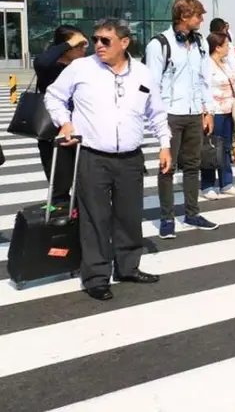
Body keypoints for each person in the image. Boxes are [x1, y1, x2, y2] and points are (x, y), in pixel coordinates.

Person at [43, 18, 171, 301]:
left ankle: (127, 267)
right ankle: (97, 276)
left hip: (130, 158)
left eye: (105, 40)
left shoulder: (143, 73)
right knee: (95, 219)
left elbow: (157, 112)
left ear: (124, 43)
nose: (98, 45)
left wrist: (165, 145)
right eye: (96, 39)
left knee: (129, 216)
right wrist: (65, 123)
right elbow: (53, 96)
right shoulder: (81, 68)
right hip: (92, 156)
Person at [144, 0, 219, 240]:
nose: (202, 19)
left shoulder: (200, 44)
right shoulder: (160, 44)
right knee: (168, 167)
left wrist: (207, 110)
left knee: (192, 165)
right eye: (198, 15)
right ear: (184, 16)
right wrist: (157, 118)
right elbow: (152, 85)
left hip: (194, 112)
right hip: (170, 114)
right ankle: (167, 217)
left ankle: (192, 213)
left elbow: (204, 80)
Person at [32, 25, 88, 203]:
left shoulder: (85, 67)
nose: (82, 49)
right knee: (59, 189)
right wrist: (69, 43)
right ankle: (62, 227)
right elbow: (41, 62)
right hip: (53, 135)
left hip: (82, 133)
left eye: (83, 44)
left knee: (86, 188)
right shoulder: (50, 67)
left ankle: (84, 227)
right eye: (77, 45)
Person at [201, 32, 235, 199]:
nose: (229, 48)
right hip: (214, 112)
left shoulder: (225, 63)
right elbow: (202, 89)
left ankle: (226, 182)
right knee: (211, 149)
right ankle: (207, 185)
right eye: (226, 45)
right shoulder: (206, 65)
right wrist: (205, 112)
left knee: (226, 147)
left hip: (228, 111)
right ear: (217, 47)